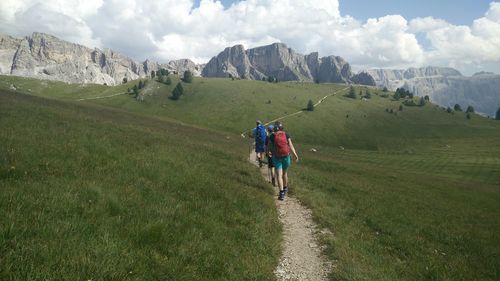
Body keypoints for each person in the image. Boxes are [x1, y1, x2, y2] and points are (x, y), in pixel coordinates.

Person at [268, 121, 299, 200]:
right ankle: (285, 188)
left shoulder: (272, 136)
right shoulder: (286, 134)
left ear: (275, 128)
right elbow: (291, 146)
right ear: (282, 127)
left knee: (279, 175)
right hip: (286, 157)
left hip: (277, 157)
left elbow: (269, 147)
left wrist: (269, 152)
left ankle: (281, 193)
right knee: (285, 174)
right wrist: (296, 155)